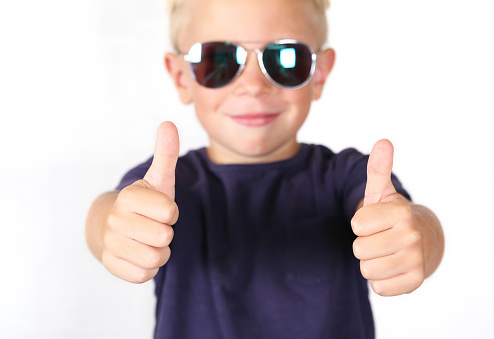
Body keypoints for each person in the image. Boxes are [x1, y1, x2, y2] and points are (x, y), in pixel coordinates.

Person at [85, 0, 445, 337]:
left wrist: (416, 237)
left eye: (285, 58)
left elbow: (412, 226)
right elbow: (111, 215)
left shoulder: (350, 178)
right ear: (181, 77)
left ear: (319, 73)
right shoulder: (164, 186)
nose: (254, 86)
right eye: (219, 59)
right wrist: (111, 229)